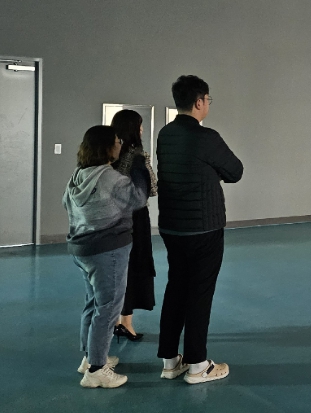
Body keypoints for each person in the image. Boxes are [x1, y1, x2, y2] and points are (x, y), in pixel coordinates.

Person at [156, 75, 243, 384]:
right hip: (204, 229)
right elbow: (235, 170)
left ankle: (170, 361)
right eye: (207, 100)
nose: (208, 105)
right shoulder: (207, 137)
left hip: (172, 227)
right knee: (199, 294)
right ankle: (197, 365)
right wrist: (212, 173)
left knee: (176, 289)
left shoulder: (165, 134)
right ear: (198, 102)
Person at [63, 125, 148, 389]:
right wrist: (139, 169)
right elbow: (138, 199)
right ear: (107, 147)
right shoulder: (110, 178)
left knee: (93, 302)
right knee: (109, 307)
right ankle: (97, 370)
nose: (120, 144)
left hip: (82, 248)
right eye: (117, 141)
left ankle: (90, 358)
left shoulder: (79, 174)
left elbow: (66, 203)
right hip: (107, 250)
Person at [111, 109, 158, 341]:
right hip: (135, 221)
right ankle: (126, 324)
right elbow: (144, 194)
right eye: (139, 125)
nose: (142, 129)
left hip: (112, 219)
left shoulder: (110, 156)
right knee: (133, 268)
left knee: (116, 269)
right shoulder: (137, 157)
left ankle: (114, 321)